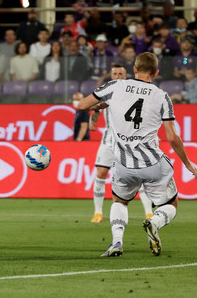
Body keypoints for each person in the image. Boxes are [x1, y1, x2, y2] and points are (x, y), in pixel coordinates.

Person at [78, 52, 197, 257]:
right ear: (156, 72)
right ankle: (154, 222)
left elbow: (82, 105)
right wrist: (187, 162)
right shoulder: (162, 96)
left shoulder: (116, 86)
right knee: (170, 204)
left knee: (119, 201)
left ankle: (116, 242)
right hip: (153, 163)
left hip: (125, 165)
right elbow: (173, 137)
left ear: (134, 69)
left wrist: (104, 104)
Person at [89, 63, 153, 223]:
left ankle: (148, 213)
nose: (118, 76)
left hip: (130, 142)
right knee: (101, 173)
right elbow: (96, 109)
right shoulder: (107, 92)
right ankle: (98, 213)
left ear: (126, 76)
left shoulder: (133, 92)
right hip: (109, 140)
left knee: (141, 176)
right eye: (115, 74)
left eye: (121, 74)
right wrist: (94, 119)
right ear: (112, 76)